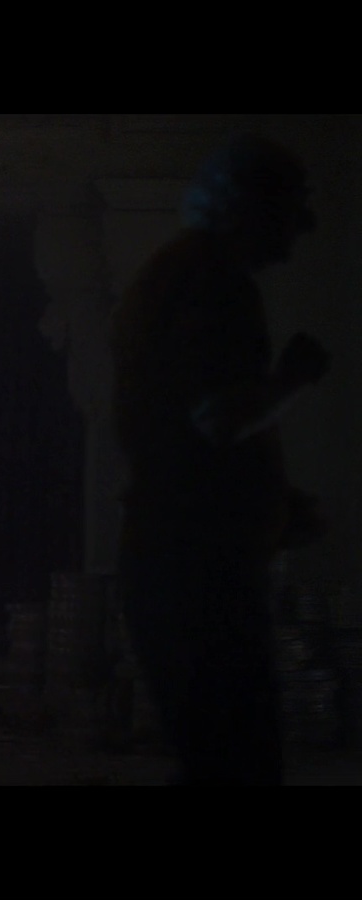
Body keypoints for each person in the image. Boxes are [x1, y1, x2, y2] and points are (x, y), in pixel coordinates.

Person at [110, 132, 330, 784]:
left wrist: (269, 504)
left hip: (186, 561)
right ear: (249, 209)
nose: (295, 238)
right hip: (198, 574)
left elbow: (180, 428)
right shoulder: (212, 282)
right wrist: (295, 376)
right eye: (288, 215)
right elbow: (217, 417)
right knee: (237, 758)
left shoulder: (184, 273)